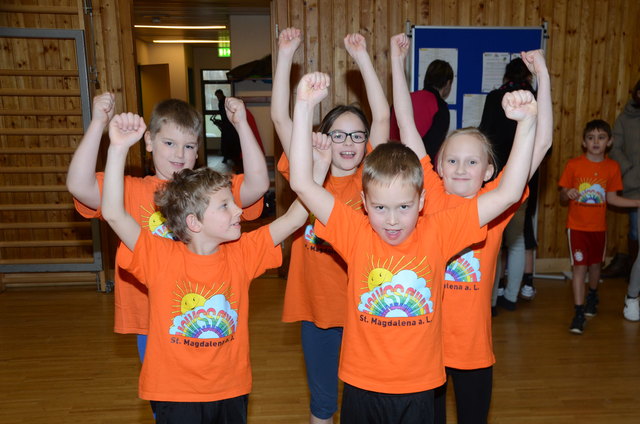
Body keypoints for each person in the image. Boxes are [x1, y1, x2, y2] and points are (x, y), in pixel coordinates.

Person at [288, 69, 537, 424]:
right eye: (380, 208)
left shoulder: (439, 232)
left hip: (420, 388)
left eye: (403, 207)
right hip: (361, 385)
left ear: (422, 203)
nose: (391, 220)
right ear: (363, 202)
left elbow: (510, 192)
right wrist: (303, 106)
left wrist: (526, 123)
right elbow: (301, 182)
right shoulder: (354, 231)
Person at [99, 106, 330, 423]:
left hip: (231, 390)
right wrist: (118, 148)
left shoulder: (242, 253)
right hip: (173, 394)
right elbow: (113, 212)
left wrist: (318, 170)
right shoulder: (158, 257)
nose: (239, 211)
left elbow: (295, 218)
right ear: (194, 222)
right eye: (225, 206)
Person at [391, 33, 551, 424]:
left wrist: (542, 77)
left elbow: (541, 142)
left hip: (473, 350)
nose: (461, 169)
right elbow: (407, 126)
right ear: (437, 166)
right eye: (452, 161)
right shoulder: (427, 192)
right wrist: (396, 62)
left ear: (490, 172)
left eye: (472, 162)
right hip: (424, 344)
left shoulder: (494, 204)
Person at [66, 94, 268, 365]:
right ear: (149, 141)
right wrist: (98, 124)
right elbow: (79, 185)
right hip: (151, 316)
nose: (179, 154)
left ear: (197, 151)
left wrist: (242, 124)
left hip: (206, 313)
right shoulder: (130, 190)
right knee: (165, 400)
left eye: (188, 146)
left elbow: (257, 184)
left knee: (210, 388)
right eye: (169, 143)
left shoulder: (209, 193)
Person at [271, 28, 389, 424]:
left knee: (367, 401)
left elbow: (384, 115)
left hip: (366, 309)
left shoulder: (373, 175)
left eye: (357, 135)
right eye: (338, 134)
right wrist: (286, 53)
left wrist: (363, 59)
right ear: (323, 138)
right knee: (323, 404)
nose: (349, 142)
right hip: (317, 309)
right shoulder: (306, 170)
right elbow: (279, 118)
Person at [559, 119, 640, 334]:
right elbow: (562, 195)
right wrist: (567, 193)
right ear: (584, 142)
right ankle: (578, 313)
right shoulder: (573, 165)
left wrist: (637, 202)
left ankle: (592, 295)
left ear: (609, 142)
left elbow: (612, 198)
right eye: (591, 137)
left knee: (595, 267)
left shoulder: (612, 167)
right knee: (579, 269)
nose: (596, 141)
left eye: (601, 137)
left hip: (598, 229)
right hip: (576, 228)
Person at [480, 57, 536, 311]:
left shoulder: (495, 97)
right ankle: (511, 297)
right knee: (516, 240)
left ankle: (490, 301)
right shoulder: (533, 99)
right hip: (524, 179)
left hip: (494, 181)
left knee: (494, 241)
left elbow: (484, 135)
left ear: (505, 76)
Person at [609, 79, 640, 318]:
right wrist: (629, 168)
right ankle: (632, 290)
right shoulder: (625, 118)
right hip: (635, 185)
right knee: (636, 235)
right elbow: (615, 148)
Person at [389, 58, 453, 164]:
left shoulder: (402, 100)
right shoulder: (440, 107)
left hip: (390, 164)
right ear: (448, 83)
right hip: (416, 169)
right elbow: (432, 149)